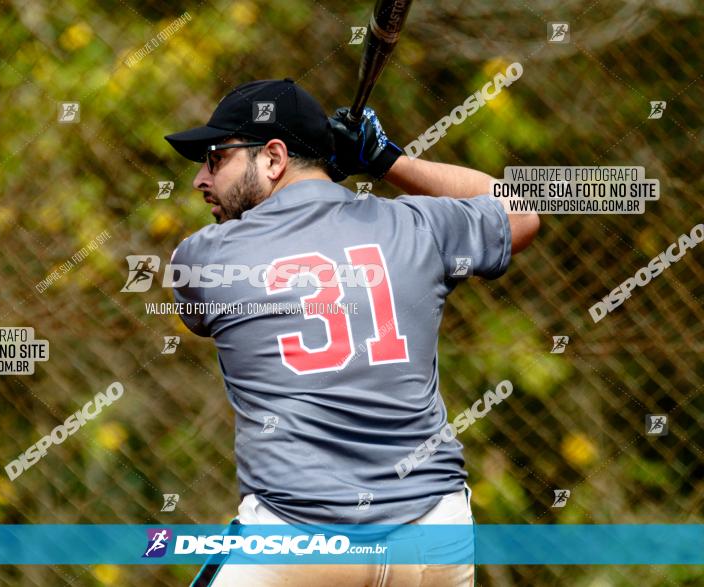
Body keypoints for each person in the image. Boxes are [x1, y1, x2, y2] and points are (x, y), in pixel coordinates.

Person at [164, 78, 539, 586]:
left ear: (273, 159)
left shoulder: (204, 259)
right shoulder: (416, 226)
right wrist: (388, 161)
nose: (200, 180)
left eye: (215, 158)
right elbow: (523, 210)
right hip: (432, 534)